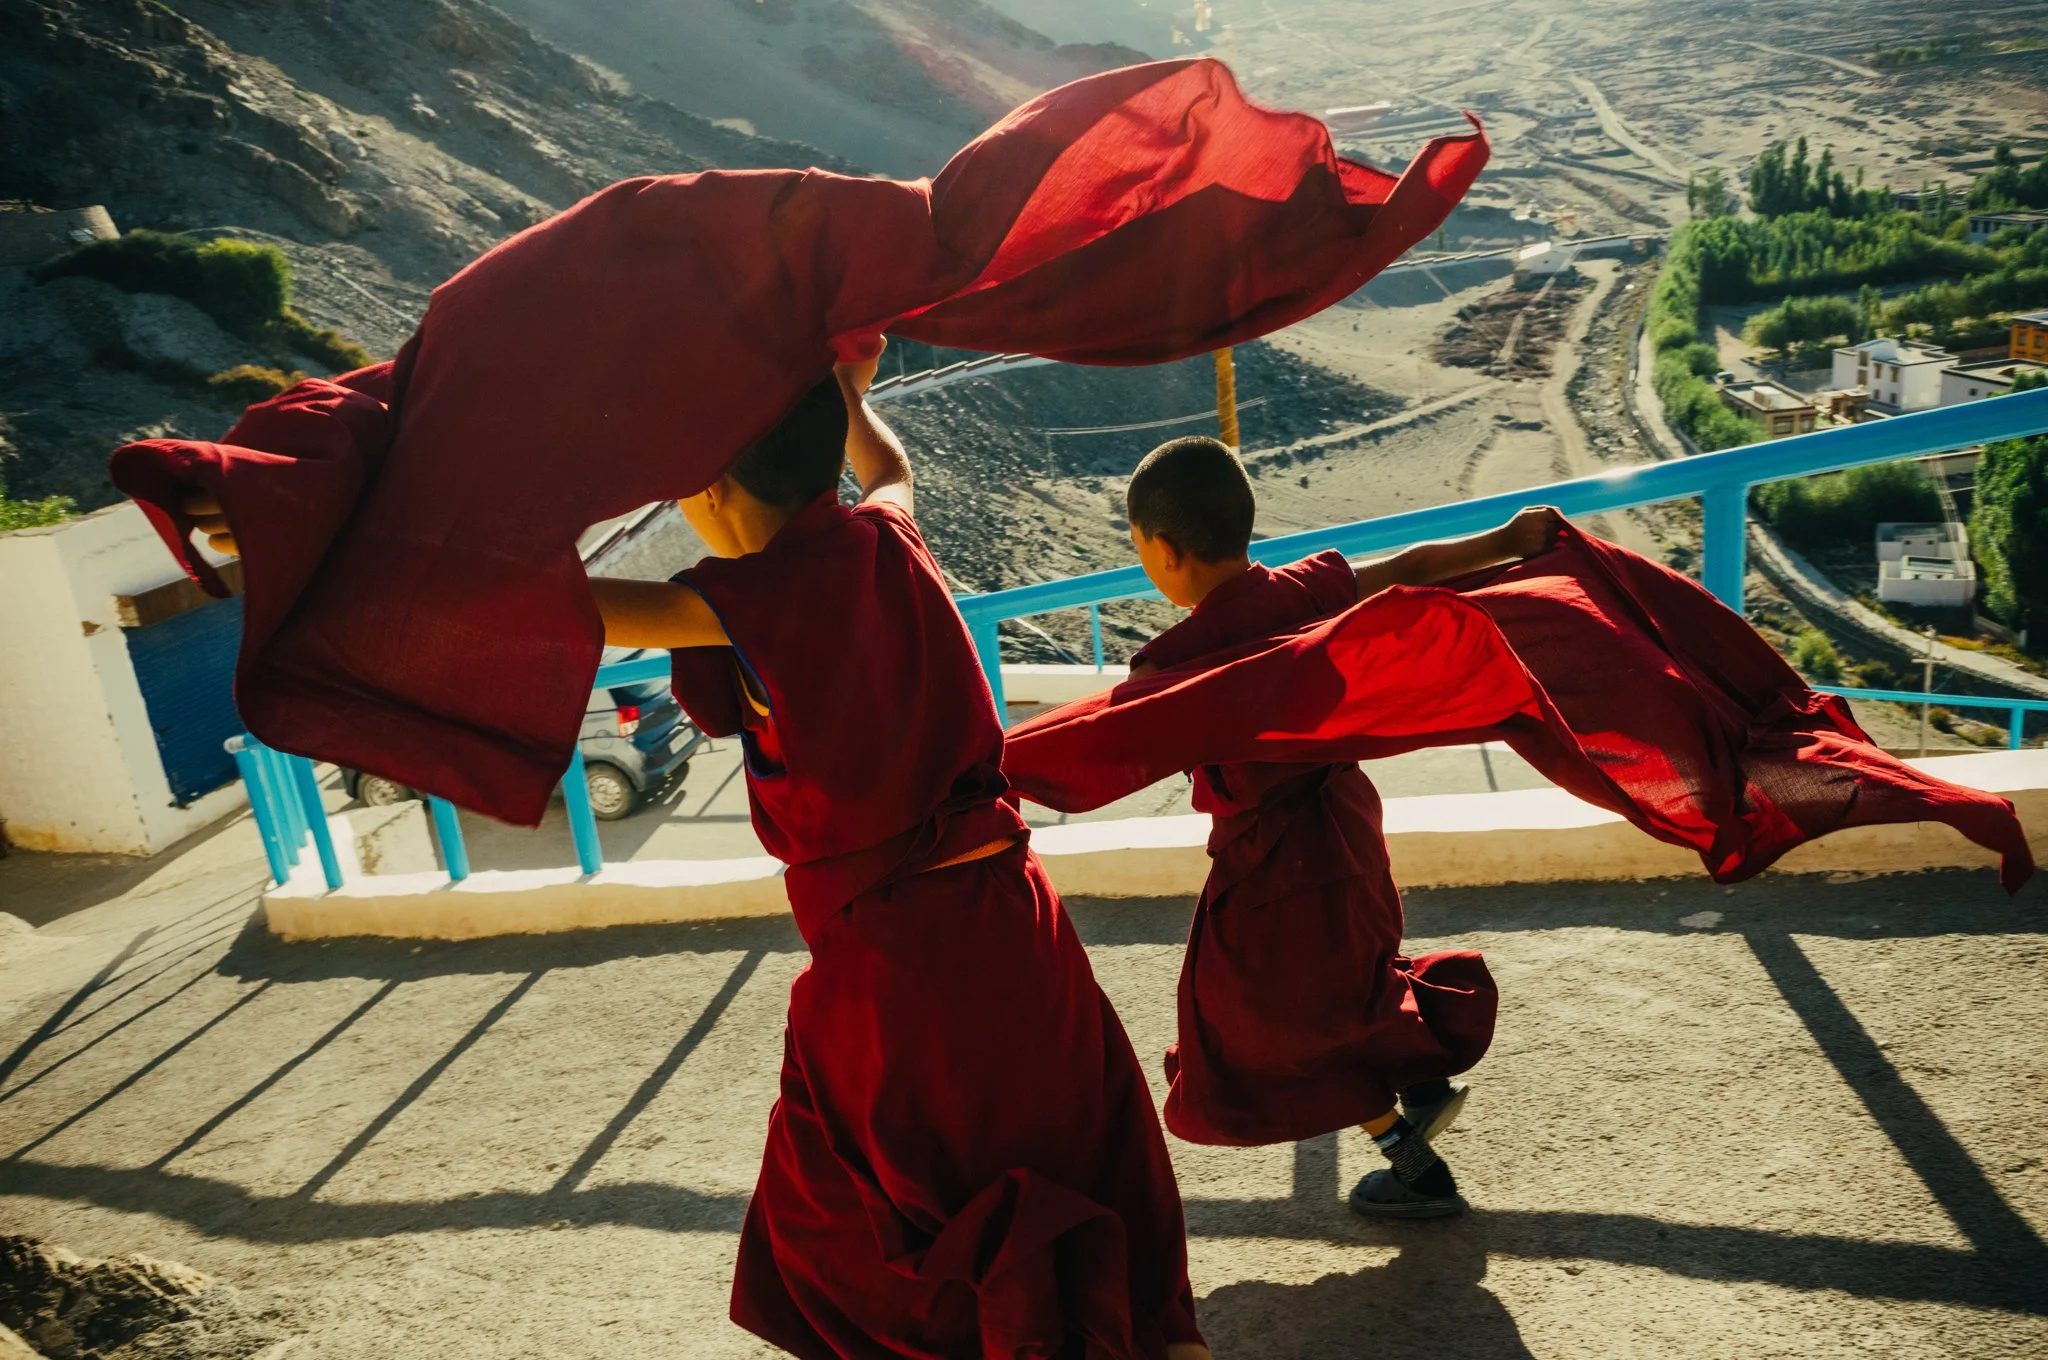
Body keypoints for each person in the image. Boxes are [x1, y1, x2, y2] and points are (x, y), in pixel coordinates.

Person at [187, 343, 1212, 1359]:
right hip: (1019, 927)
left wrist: (351, 519)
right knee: (1076, 1149)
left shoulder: (732, 613)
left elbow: (533, 601)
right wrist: (848, 389)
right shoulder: (889, 540)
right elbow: (892, 472)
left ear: (713, 488)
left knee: (878, 1219)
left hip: (902, 976)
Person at [1112, 435, 1566, 1219]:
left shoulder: (1165, 668)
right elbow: (1414, 569)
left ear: (1163, 550)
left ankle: (1414, 1166)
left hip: (1265, 869)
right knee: (1352, 974)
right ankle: (1421, 1085)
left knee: (1269, 1022)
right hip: (1349, 830)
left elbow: (1108, 750)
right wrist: (1506, 541)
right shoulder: (1305, 590)